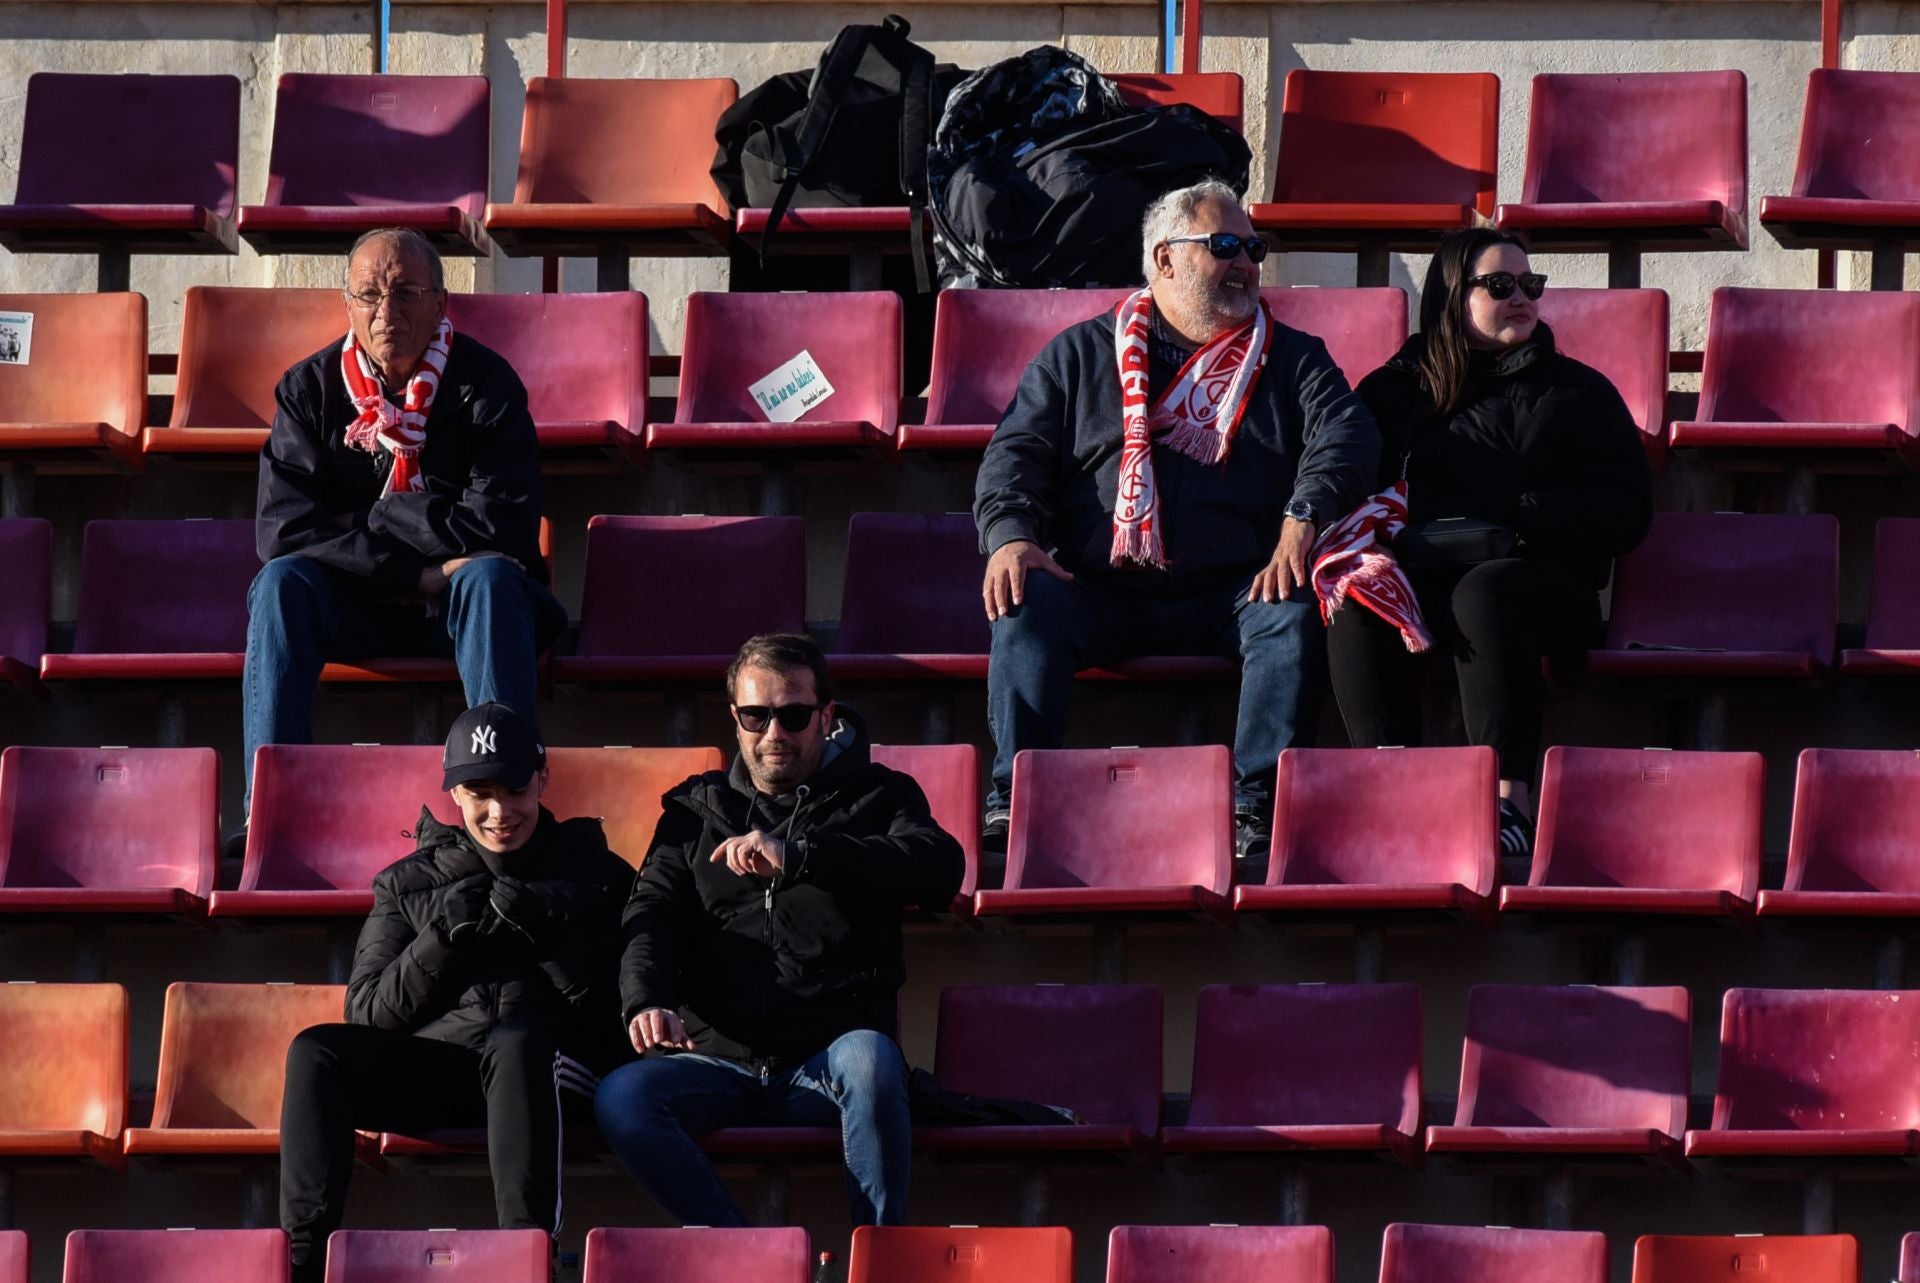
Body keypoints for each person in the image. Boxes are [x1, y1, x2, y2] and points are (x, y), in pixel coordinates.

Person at [973, 178, 1380, 863]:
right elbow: (1014, 455)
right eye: (1225, 245)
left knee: (1291, 610)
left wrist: (1302, 516)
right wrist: (1010, 536)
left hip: (1234, 589)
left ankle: (1258, 802)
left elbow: (1348, 432)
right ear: (1165, 259)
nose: (1247, 262)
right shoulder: (1077, 355)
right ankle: (1018, 794)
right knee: (1025, 602)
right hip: (1097, 586)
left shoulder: (1291, 356)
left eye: (1254, 246)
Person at [595, 633, 965, 1227]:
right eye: (756, 715)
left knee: (871, 1060)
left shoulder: (881, 795)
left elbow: (940, 868)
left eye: (793, 716)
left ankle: (877, 1257)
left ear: (826, 717)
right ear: (735, 719)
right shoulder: (695, 812)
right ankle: (746, 1258)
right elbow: (650, 915)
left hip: (830, 1060)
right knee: (622, 1097)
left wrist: (802, 855)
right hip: (715, 1062)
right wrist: (647, 998)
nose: (774, 734)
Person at [278, 703, 634, 1283]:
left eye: (515, 788)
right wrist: (439, 943)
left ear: (543, 779)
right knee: (316, 1051)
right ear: (454, 795)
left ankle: (525, 1258)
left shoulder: (599, 875)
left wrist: (549, 937)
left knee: (518, 1044)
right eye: (479, 792)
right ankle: (299, 1266)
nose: (499, 812)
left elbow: (621, 1019)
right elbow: (367, 1014)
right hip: (447, 1071)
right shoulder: (407, 882)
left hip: (551, 1072)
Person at [1325, 227, 1654, 855]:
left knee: (1486, 590)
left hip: (1542, 585)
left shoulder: (1577, 392)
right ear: (1452, 295)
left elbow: (1628, 512)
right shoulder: (1397, 391)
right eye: (1500, 285)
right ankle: (1392, 795)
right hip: (1425, 578)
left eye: (1530, 285)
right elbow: (1346, 481)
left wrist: (1521, 516)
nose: (1522, 297)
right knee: (1359, 593)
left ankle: (1509, 807)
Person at [238, 227, 566, 833]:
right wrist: (417, 573)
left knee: (491, 576)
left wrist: (380, 516)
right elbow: (284, 530)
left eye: (406, 292)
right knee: (281, 584)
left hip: (468, 610)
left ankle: (504, 807)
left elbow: (500, 523)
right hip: (364, 605)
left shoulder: (487, 386)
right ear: (347, 306)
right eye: (368, 294)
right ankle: (271, 814)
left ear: (441, 303)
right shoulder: (307, 391)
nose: (386, 311)